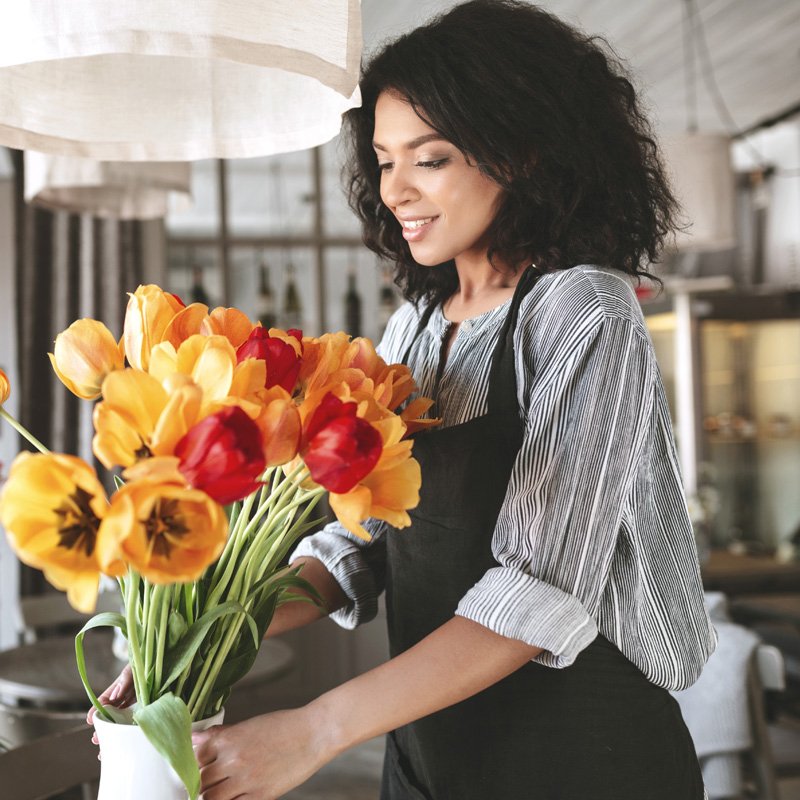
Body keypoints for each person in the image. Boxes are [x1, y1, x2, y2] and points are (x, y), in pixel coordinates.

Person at [89, 2, 717, 797]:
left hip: (579, 755)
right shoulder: (413, 329)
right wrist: (194, 641)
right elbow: (362, 543)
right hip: (430, 756)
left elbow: (542, 586)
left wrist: (312, 730)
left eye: (432, 158)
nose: (398, 190)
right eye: (385, 160)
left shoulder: (582, 311)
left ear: (520, 152)